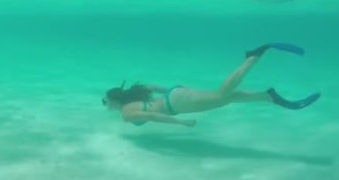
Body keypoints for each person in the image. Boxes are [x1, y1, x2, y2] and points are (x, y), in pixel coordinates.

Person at [101, 43, 321, 127]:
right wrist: (174, 89)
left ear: (113, 101)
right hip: (176, 95)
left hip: (177, 105)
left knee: (221, 95)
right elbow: (154, 87)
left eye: (105, 102)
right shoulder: (133, 96)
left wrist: (182, 124)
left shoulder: (126, 114)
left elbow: (153, 117)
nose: (106, 105)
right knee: (225, 99)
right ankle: (269, 97)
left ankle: (253, 57)